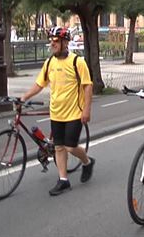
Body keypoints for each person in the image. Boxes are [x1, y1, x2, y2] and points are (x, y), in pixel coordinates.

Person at [20, 26, 95, 196]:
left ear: (65, 43)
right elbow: (40, 84)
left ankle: (87, 162)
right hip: (56, 113)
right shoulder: (49, 63)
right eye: (51, 41)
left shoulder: (77, 62)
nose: (52, 44)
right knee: (59, 147)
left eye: (55, 41)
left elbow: (88, 86)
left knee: (70, 146)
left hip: (75, 112)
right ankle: (63, 180)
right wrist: (24, 97)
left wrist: (87, 110)